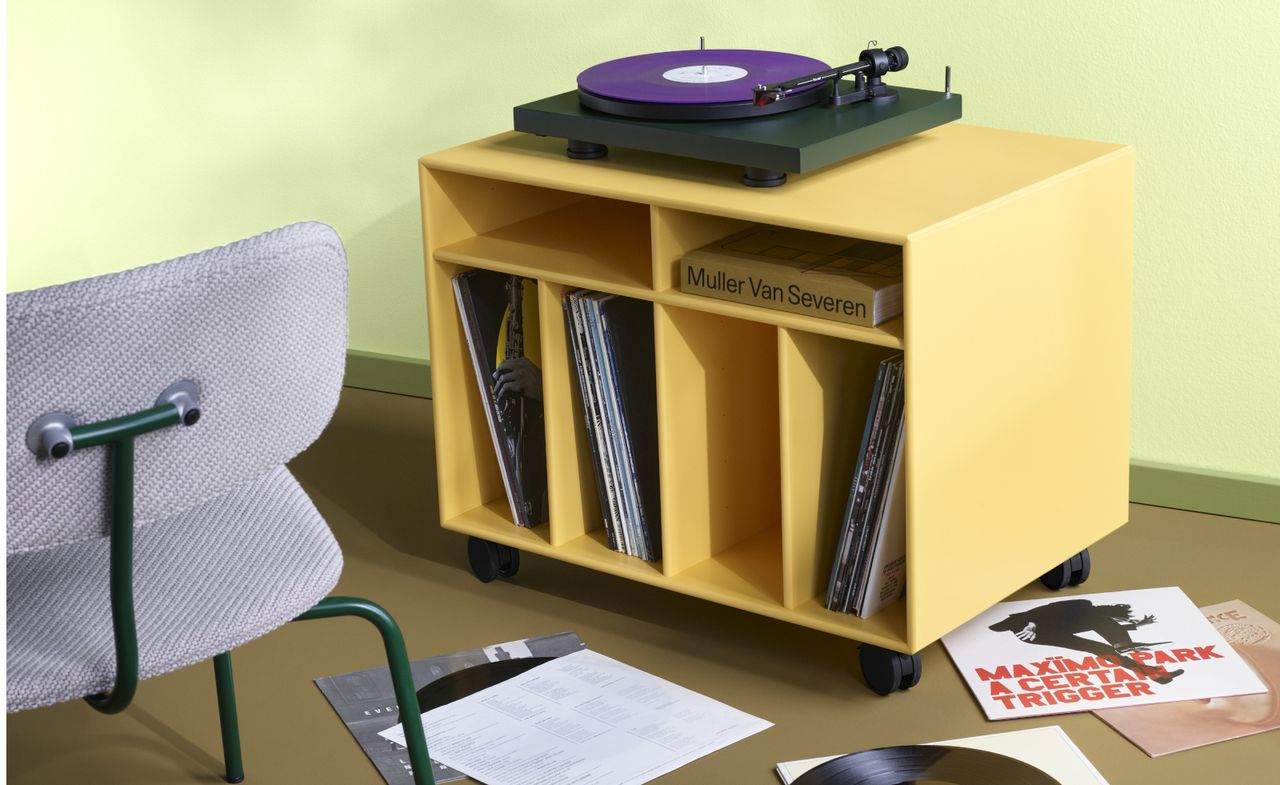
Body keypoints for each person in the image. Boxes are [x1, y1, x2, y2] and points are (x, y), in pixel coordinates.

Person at [989, 599, 1184, 684]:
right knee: (1099, 639)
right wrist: (1031, 623)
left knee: (1098, 647)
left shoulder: (1089, 617)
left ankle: (1151, 674)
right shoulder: (1082, 605)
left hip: (1055, 629)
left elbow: (1107, 625)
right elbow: (1046, 609)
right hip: (1030, 629)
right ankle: (1123, 646)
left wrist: (1138, 625)